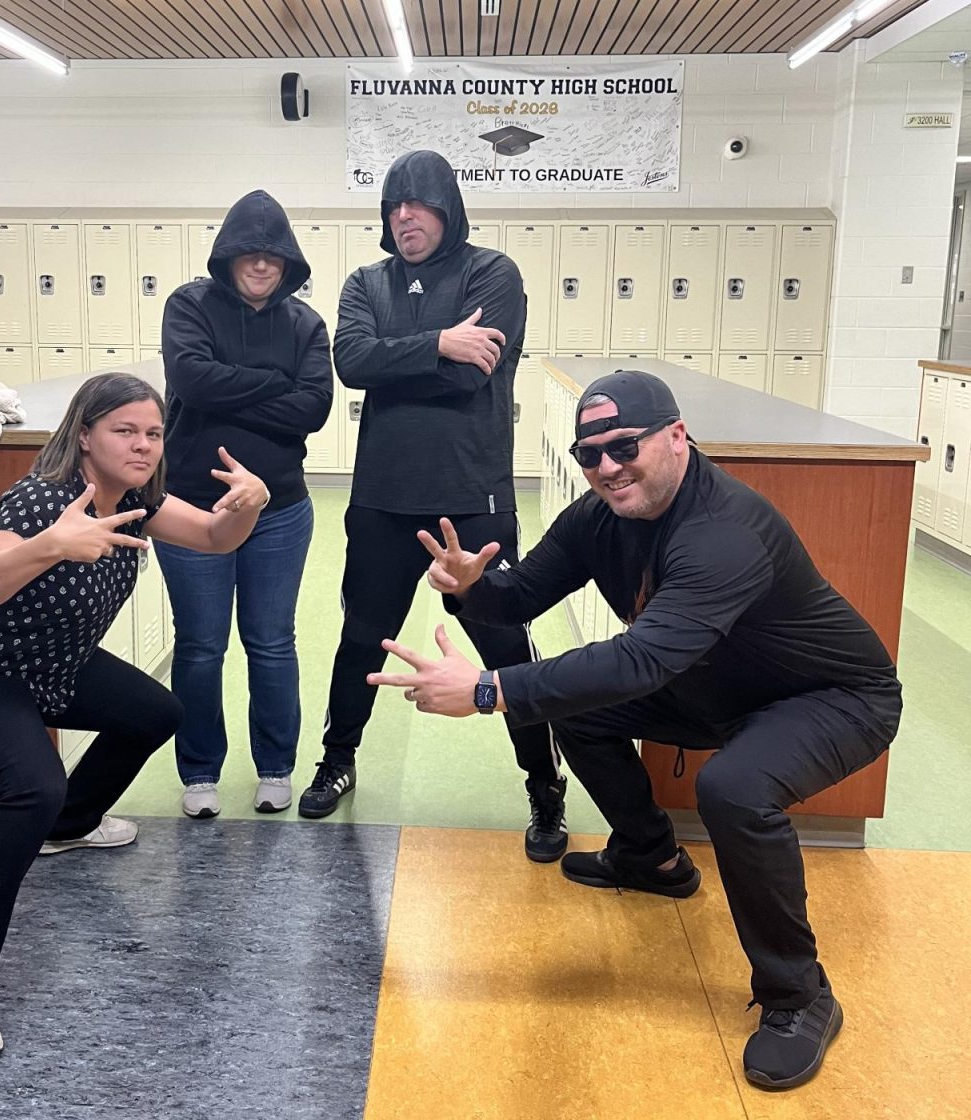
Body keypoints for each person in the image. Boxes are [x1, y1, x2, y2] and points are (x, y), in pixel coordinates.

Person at [369, 368, 902, 1090]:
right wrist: (471, 586)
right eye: (590, 455)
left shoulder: (724, 530)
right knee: (576, 708)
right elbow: (522, 593)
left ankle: (800, 995)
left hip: (832, 697)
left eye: (625, 448)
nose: (608, 469)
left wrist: (489, 689)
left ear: (677, 438)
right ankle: (652, 860)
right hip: (715, 687)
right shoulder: (603, 517)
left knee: (736, 790)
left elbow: (642, 659)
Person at [0, 373, 269, 1066]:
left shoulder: (136, 503)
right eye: (125, 430)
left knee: (156, 712)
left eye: (153, 433)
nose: (143, 444)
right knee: (32, 787)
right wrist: (52, 545)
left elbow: (217, 537)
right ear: (86, 435)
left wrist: (251, 503)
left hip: (48, 664)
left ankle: (67, 829)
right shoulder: (42, 501)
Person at [299, 149, 566, 863]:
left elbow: (471, 380)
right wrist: (440, 343)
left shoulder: (491, 273)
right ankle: (338, 757)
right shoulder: (366, 281)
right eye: (393, 206)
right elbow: (352, 362)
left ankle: (544, 784)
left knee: (504, 649)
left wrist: (404, 360)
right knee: (362, 637)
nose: (404, 216)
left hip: (471, 504)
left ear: (447, 208)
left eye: (418, 204)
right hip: (382, 502)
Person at [156, 189, 332, 819]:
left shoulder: (306, 324)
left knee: (271, 640)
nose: (261, 265)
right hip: (193, 508)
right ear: (228, 256)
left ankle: (275, 766)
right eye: (249, 254)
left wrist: (226, 393)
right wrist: (273, 385)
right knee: (200, 645)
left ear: (288, 262)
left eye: (273, 255)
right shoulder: (189, 306)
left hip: (280, 509)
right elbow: (191, 378)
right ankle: (200, 769)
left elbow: (313, 407)